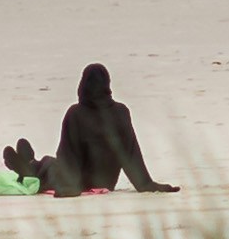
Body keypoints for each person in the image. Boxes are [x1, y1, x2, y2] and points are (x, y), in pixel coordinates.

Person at [56, 62, 177, 194]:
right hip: (107, 183)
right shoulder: (121, 112)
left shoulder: (75, 114)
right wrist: (145, 183)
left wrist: (68, 186)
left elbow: (67, 154)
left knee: (44, 164)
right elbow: (131, 154)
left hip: (76, 184)